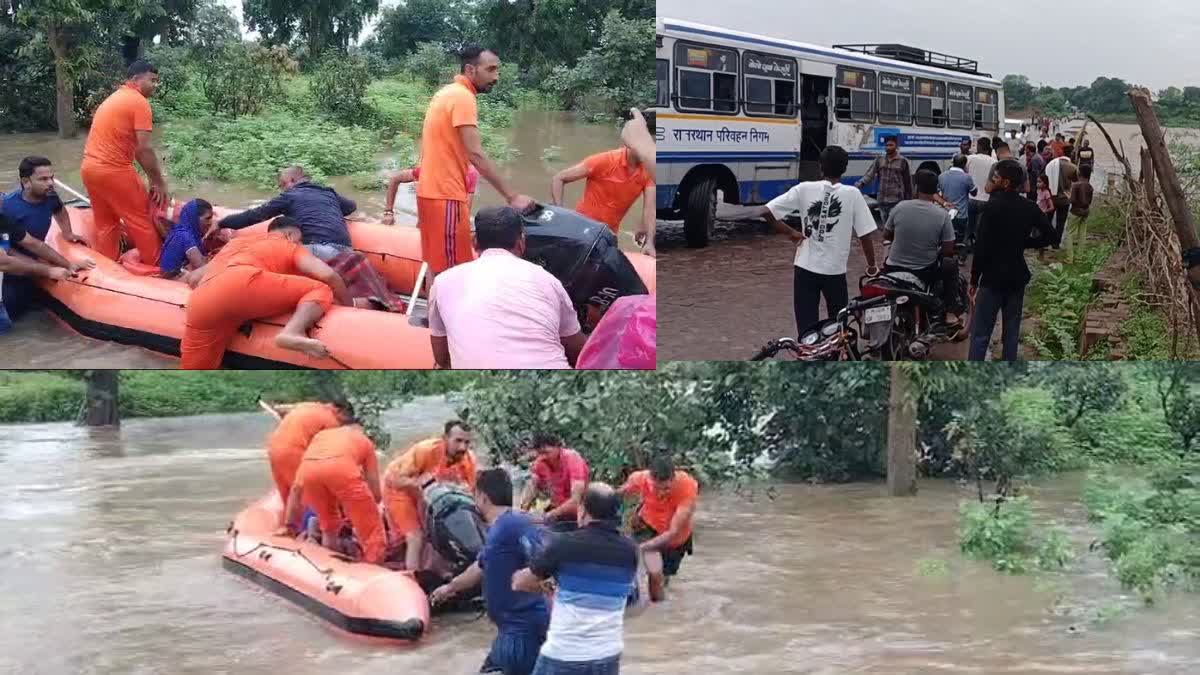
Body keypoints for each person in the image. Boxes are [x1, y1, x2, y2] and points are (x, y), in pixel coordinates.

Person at [416, 45, 535, 290]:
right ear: (470, 69)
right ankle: (444, 325)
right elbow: (475, 154)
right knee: (453, 272)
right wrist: (511, 196)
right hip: (445, 194)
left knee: (436, 264)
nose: (496, 76)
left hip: (431, 192)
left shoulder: (447, 92)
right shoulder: (462, 96)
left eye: (497, 70)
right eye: (490, 69)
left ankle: (432, 319)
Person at [179, 216, 353, 369]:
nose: (300, 244)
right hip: (243, 282)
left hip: (201, 299)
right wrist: (349, 306)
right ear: (290, 235)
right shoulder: (289, 245)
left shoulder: (235, 243)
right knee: (320, 288)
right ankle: (292, 332)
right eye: (300, 240)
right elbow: (328, 275)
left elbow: (193, 278)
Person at [427, 206, 585, 369]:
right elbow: (579, 351)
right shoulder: (547, 280)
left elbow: (442, 358)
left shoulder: (443, 282)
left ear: (474, 242)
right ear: (521, 243)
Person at [430, 468, 550, 675]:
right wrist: (449, 588)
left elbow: (541, 564)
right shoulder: (513, 523)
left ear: (482, 497)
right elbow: (479, 567)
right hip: (520, 625)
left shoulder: (505, 528)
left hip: (520, 628)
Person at [751, 146, 879, 336]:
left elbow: (765, 211)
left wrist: (791, 233)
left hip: (804, 269)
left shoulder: (804, 188)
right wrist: (871, 266)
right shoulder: (853, 194)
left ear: (820, 167)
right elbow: (865, 236)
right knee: (838, 328)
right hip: (835, 272)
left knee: (806, 329)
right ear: (845, 169)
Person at [512, 483, 638, 675]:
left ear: (583, 511)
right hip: (608, 656)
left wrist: (550, 588)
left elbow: (520, 582)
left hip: (565, 655)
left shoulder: (564, 544)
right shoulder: (631, 551)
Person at [968, 160, 1059, 361]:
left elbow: (981, 249)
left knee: (981, 334)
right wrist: (1025, 242)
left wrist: (974, 280)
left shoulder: (991, 208)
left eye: (996, 177)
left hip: (991, 280)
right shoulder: (1029, 207)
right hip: (1016, 279)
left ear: (1006, 183)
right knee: (1011, 333)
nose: (992, 180)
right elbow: (1052, 236)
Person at [80, 59, 166, 264]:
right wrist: (158, 181)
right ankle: (158, 269)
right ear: (136, 79)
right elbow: (143, 149)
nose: (155, 85)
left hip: (89, 169)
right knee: (142, 220)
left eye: (157, 81)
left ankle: (107, 267)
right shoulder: (139, 102)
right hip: (114, 170)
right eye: (152, 80)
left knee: (106, 223)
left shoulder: (114, 98)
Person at [1, 157, 94, 324]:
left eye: (51, 177)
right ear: (26, 181)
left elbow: (35, 240)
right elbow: (7, 255)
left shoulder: (50, 196)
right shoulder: (8, 208)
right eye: (43, 179)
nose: (50, 183)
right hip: (12, 272)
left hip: (32, 262)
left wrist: (68, 235)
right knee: (13, 315)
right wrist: (47, 269)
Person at [550, 114, 656, 257]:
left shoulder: (648, 171)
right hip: (582, 227)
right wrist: (560, 213)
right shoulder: (605, 161)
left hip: (609, 234)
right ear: (630, 141)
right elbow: (559, 178)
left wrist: (649, 240)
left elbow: (650, 208)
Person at [280, 423, 386, 563]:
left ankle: (328, 565)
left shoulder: (321, 436)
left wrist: (289, 525)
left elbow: (295, 490)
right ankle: (374, 568)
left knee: (329, 527)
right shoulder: (365, 442)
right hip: (341, 470)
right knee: (372, 532)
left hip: (309, 471)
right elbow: (376, 494)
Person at [382, 420, 479, 572]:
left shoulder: (468, 460)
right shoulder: (426, 450)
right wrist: (419, 483)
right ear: (445, 438)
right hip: (398, 489)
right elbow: (394, 480)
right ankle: (413, 579)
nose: (463, 447)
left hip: (426, 494)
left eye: (467, 442)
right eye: (458, 441)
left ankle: (437, 571)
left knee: (436, 532)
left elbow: (473, 494)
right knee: (416, 537)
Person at [218, 166, 357, 262]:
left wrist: (221, 223)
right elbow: (351, 207)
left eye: (282, 185)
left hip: (315, 250)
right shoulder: (327, 192)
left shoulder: (289, 196)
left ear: (292, 181)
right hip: (346, 251)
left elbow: (254, 215)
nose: (282, 190)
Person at [882, 170, 963, 332]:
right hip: (923, 272)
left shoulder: (900, 207)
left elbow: (887, 235)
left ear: (916, 187)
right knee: (950, 263)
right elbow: (948, 249)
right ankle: (950, 312)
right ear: (935, 191)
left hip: (892, 267)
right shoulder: (942, 215)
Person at [617, 456, 698, 603]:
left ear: (673, 479)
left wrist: (640, 548)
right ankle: (643, 604)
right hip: (647, 527)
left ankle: (660, 612)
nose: (661, 493)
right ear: (650, 478)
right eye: (656, 488)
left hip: (674, 538)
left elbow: (673, 532)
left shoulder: (687, 487)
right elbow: (618, 493)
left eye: (666, 488)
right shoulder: (640, 478)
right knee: (654, 571)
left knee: (663, 578)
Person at [0, 210, 93, 334]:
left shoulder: (3, 219)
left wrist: (68, 265)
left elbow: (33, 244)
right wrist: (48, 271)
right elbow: (4, 263)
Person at [265, 399, 355, 525]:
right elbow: (333, 454)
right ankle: (307, 530)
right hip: (294, 451)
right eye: (343, 420)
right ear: (339, 410)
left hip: (273, 449)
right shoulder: (331, 421)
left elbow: (282, 409)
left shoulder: (307, 406)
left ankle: (290, 528)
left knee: (287, 493)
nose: (342, 424)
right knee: (308, 493)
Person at [519, 433, 589, 530]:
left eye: (546, 452)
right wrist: (522, 513)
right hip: (557, 512)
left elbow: (576, 500)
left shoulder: (572, 459)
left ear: (558, 447)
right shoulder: (540, 462)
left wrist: (547, 516)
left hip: (579, 514)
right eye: (540, 453)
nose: (543, 457)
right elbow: (531, 488)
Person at [382, 163, 479, 226]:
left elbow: (464, 213)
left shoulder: (470, 173)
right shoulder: (431, 169)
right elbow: (395, 179)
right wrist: (388, 212)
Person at [854, 135, 912, 223]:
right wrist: (861, 183)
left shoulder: (903, 161)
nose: (888, 147)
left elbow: (908, 182)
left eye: (891, 145)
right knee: (886, 226)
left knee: (894, 227)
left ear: (896, 146)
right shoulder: (879, 159)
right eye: (887, 145)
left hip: (896, 201)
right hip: (882, 201)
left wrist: (908, 200)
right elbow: (870, 174)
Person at [158, 199, 214, 282]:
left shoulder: (190, 233)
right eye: (207, 218)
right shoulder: (185, 236)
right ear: (194, 218)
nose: (210, 222)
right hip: (173, 279)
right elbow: (201, 266)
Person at [965, 137, 997, 250]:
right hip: (986, 200)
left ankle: (963, 254)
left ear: (980, 146)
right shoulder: (994, 162)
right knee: (980, 229)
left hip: (971, 198)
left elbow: (965, 174)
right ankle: (978, 254)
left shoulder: (970, 158)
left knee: (968, 228)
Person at [938, 154, 976, 243]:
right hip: (961, 215)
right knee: (959, 239)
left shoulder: (942, 176)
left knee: (946, 238)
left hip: (946, 213)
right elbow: (974, 193)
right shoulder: (966, 177)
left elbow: (936, 193)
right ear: (964, 165)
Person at [1045, 154, 1078, 249]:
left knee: (1048, 220)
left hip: (1050, 198)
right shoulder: (1072, 167)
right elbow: (1076, 180)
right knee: (1060, 222)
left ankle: (1046, 240)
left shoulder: (1050, 164)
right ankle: (1056, 243)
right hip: (1064, 199)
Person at [1066, 164, 1095, 257]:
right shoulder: (1090, 186)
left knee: (1069, 233)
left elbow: (1072, 200)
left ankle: (1069, 257)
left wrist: (1068, 196)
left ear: (1079, 173)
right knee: (1082, 234)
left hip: (1075, 212)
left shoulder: (1076, 185)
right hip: (1085, 212)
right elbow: (1089, 201)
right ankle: (1079, 256)